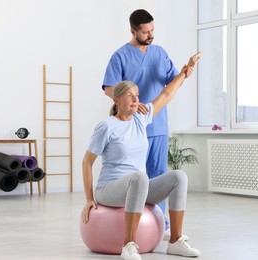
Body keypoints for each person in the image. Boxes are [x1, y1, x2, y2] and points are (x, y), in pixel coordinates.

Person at [82, 52, 202, 260]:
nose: (136, 99)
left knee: (178, 177)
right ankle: (129, 245)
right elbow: (87, 162)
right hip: (109, 189)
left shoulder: (140, 119)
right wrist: (89, 199)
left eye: (137, 95)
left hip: (138, 187)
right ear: (117, 99)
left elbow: (166, 95)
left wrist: (184, 72)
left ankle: (175, 241)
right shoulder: (107, 126)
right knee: (139, 177)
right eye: (131, 95)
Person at [101, 9, 184, 229]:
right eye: (145, 32)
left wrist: (186, 71)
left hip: (157, 125)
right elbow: (109, 88)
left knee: (158, 175)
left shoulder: (159, 53)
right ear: (133, 31)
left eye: (152, 30)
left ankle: (160, 225)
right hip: (132, 127)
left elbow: (172, 83)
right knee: (132, 176)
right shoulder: (120, 56)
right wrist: (130, 101)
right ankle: (129, 223)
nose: (150, 35)